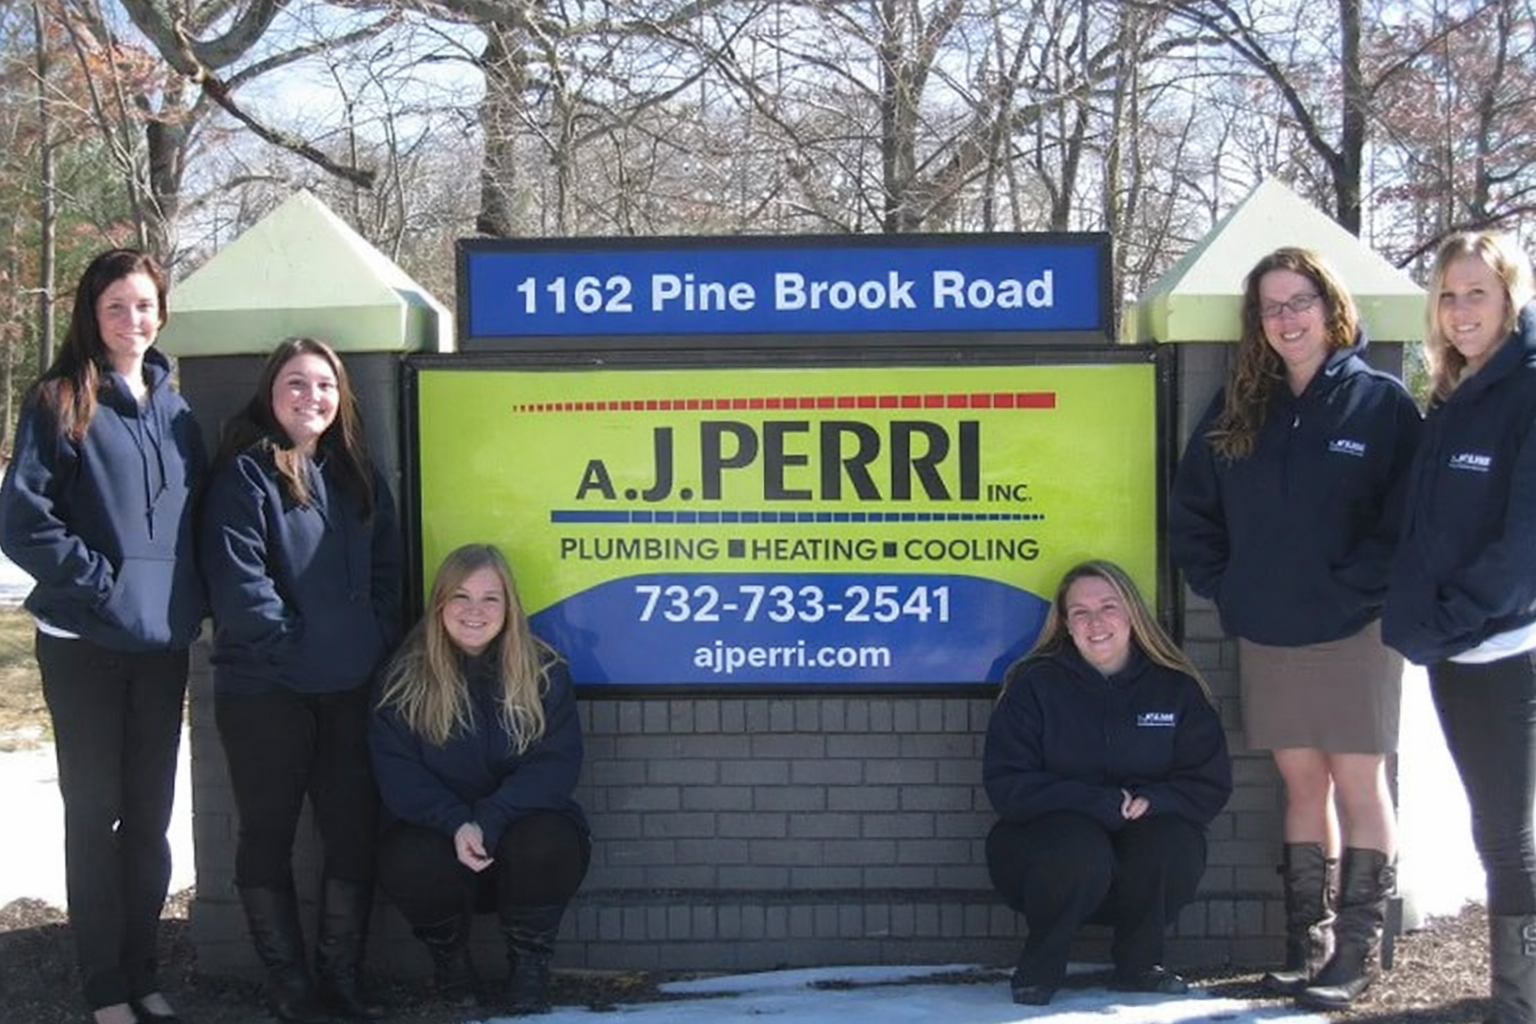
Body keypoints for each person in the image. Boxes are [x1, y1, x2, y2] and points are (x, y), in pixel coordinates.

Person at [1168, 247, 1421, 1010]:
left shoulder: (1380, 403)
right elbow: (1194, 512)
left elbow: (1405, 521)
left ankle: (1356, 951)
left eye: (1299, 301)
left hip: (1355, 631)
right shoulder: (1242, 405)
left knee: (1358, 783)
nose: (1287, 318)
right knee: (1300, 783)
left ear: (1330, 305)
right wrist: (1230, 587)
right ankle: (1304, 945)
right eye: (1272, 307)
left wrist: (1354, 588)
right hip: (1269, 630)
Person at [0, 249, 205, 1024]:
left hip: (160, 646)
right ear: (92, 313)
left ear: (162, 314)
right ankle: (104, 987)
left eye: (145, 305)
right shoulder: (59, 399)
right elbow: (23, 520)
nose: (132, 320)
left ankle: (142, 970)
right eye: (116, 305)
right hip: (82, 642)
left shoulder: (175, 409)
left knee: (150, 820)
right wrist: (100, 582)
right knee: (96, 815)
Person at [200, 336, 400, 1024]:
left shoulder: (356, 475)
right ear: (269, 392)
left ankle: (341, 981)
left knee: (351, 831)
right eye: (295, 382)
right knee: (268, 833)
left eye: (323, 384)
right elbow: (239, 585)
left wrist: (368, 639)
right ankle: (292, 990)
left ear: (340, 396)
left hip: (349, 687)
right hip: (266, 691)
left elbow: (386, 573)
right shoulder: (245, 474)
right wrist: (295, 646)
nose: (310, 396)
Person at [1382, 231, 1536, 1024]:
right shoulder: (1456, 393)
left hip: (1502, 649)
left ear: (1511, 295)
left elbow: (1521, 547)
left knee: (1509, 832)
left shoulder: (1526, 391)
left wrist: (1445, 622)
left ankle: (1521, 1000)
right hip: (1457, 646)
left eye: (1477, 292)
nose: (1461, 309)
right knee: (1494, 822)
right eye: (1448, 294)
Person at [983, 559, 1231, 1007]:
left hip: (1142, 839)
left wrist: (1156, 800)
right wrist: (1093, 802)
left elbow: (1209, 783)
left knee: (1170, 841)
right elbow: (1008, 784)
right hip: (1046, 847)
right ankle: (1038, 970)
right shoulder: (1034, 685)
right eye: (1080, 611)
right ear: (1066, 624)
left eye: (1107, 607)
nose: (1095, 622)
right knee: (1079, 848)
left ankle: (1141, 966)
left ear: (1132, 613)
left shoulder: (1175, 689)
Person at [370, 543, 589, 1017]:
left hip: (521, 849)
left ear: (509, 607)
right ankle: (452, 966)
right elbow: (399, 778)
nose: (475, 611)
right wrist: (456, 823)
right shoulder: (402, 680)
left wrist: (489, 818)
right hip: (442, 849)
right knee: (407, 851)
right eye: (461, 597)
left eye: (490, 598)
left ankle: (529, 968)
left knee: (549, 836)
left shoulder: (544, 672)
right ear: (440, 604)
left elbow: (557, 765)